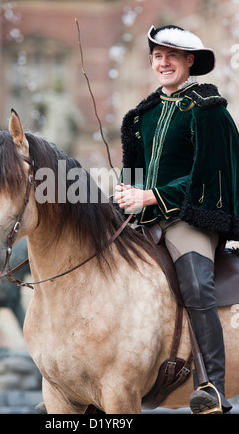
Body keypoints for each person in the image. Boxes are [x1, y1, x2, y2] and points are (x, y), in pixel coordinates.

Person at [115, 24, 239, 414]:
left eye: (171, 56)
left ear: (189, 62)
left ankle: (212, 387)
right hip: (141, 223)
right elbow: (134, 170)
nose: (163, 63)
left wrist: (153, 196)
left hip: (190, 220)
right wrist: (124, 194)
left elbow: (212, 171)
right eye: (156, 57)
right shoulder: (142, 115)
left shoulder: (209, 112)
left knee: (197, 286)